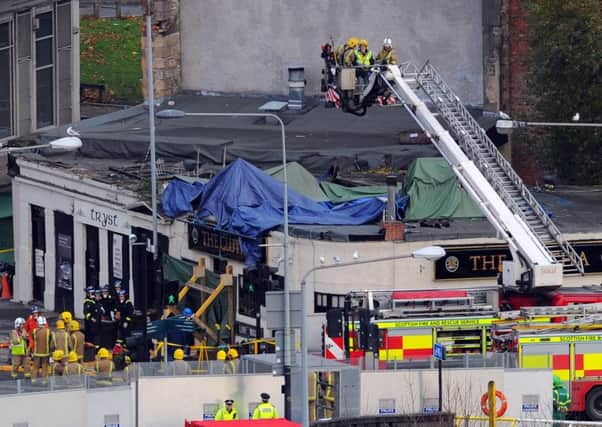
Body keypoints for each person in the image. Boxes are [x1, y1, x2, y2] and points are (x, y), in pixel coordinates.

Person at [31, 316, 51, 382]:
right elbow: (50, 341)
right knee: (44, 366)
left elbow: (34, 339)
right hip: (46, 352)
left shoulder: (34, 331)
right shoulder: (48, 331)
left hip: (37, 352)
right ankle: (44, 380)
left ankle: (33, 380)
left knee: (35, 366)